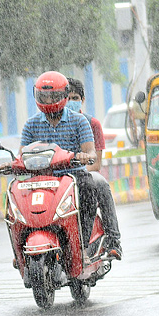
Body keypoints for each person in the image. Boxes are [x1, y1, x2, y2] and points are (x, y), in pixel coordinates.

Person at [16, 72, 100, 249]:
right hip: (40, 181)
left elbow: (90, 151)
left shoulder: (79, 121)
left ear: (64, 95)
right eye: (43, 96)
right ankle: (20, 249)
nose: (48, 101)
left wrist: (86, 156)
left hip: (73, 178)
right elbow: (21, 155)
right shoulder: (30, 125)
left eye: (53, 96)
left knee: (89, 189)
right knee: (15, 197)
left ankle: (82, 244)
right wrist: (11, 164)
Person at [65, 77, 122, 260]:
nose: (71, 102)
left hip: (83, 175)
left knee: (101, 184)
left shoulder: (92, 123)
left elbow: (95, 164)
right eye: (67, 98)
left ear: (82, 100)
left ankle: (114, 241)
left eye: (75, 98)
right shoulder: (53, 123)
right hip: (58, 178)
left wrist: (77, 170)